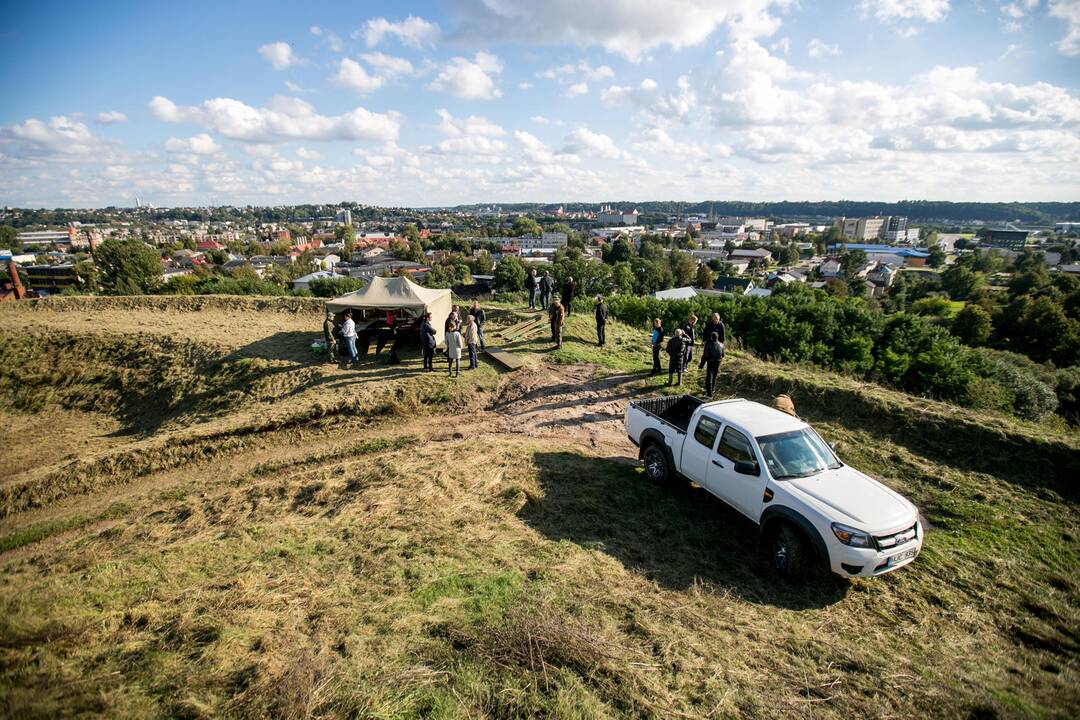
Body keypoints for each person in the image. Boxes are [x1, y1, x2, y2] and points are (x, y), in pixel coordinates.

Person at [699, 331, 724, 396]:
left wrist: (701, 365)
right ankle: (712, 389)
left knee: (709, 377)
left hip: (711, 361)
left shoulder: (709, 344)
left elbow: (705, 355)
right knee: (714, 376)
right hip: (718, 361)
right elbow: (723, 354)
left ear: (711, 337)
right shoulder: (721, 344)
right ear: (717, 337)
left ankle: (709, 394)